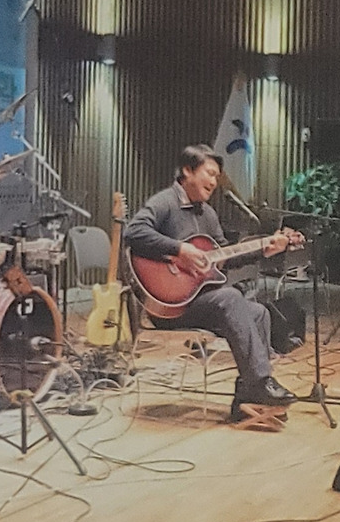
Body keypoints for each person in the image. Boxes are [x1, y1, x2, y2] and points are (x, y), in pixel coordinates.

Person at [124, 144, 298, 418]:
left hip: (199, 303)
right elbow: (134, 232)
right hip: (170, 306)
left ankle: (246, 401)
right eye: (210, 173)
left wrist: (264, 249)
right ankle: (260, 383)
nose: (215, 182)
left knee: (259, 313)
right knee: (230, 297)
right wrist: (179, 249)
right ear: (187, 171)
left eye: (217, 177)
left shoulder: (207, 214)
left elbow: (225, 257)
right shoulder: (165, 202)